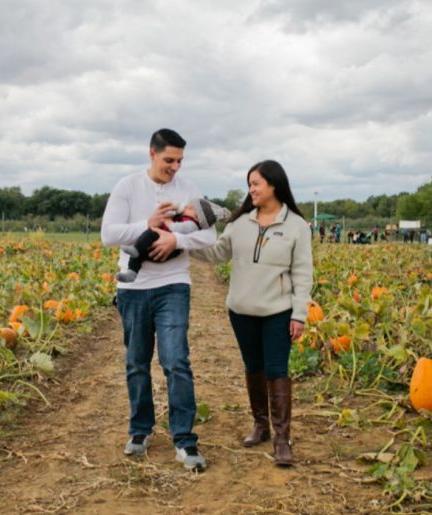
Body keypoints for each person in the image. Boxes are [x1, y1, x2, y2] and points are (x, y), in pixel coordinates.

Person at [101, 128, 217, 471]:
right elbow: (108, 234)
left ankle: (184, 439)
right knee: (137, 362)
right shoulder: (127, 187)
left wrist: (176, 242)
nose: (175, 167)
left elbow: (210, 234)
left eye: (180, 161)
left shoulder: (189, 189)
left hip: (173, 283)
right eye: (169, 160)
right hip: (134, 289)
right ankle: (140, 430)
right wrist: (147, 224)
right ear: (151, 154)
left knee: (176, 360)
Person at [191, 160, 313, 467]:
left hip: (278, 311)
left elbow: (302, 273)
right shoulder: (240, 222)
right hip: (241, 310)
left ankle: (282, 439)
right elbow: (218, 253)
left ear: (274, 185)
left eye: (256, 183)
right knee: (253, 367)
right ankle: (260, 425)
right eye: (250, 184)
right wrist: (184, 243)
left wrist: (299, 314)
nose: (251, 190)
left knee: (277, 369)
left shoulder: (296, 226)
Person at [117, 198, 229, 283]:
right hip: (161, 244)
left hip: (166, 249)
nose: (186, 207)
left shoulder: (191, 225)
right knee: (139, 256)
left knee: (149, 234)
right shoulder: (185, 216)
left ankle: (135, 249)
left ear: (197, 218)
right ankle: (131, 272)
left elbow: (176, 228)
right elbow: (179, 208)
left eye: (190, 208)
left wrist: (167, 222)